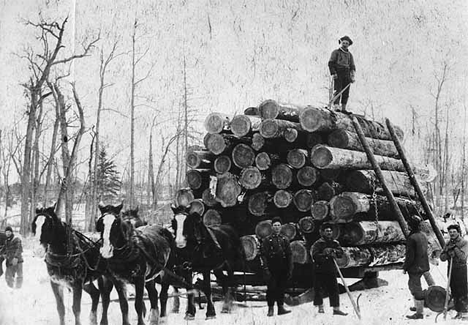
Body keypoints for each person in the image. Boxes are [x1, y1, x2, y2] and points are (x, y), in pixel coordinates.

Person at [260, 216, 293, 316]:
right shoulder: (267, 240)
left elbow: (289, 254)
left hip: (282, 267)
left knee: (281, 288)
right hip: (271, 267)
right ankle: (270, 309)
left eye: (278, 225)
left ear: (281, 227)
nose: (277, 227)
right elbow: (263, 255)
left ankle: (280, 307)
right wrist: (265, 268)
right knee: (271, 288)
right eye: (275, 225)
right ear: (272, 227)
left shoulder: (285, 240)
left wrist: (290, 268)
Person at [311, 223, 347, 316]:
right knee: (319, 289)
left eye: (330, 231)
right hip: (319, 269)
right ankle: (320, 307)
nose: (329, 233)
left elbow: (340, 253)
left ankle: (336, 308)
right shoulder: (318, 243)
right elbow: (315, 256)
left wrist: (334, 251)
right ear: (323, 232)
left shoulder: (335, 243)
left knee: (334, 289)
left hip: (330, 269)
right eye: (327, 231)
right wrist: (325, 254)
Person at [403, 216, 430, 320]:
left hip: (415, 267)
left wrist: (405, 267)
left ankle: (419, 313)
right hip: (423, 265)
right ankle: (417, 306)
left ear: (410, 225)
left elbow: (410, 256)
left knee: (415, 288)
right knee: (413, 285)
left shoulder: (412, 238)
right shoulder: (422, 235)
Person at [440, 224, 468, 319]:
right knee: (454, 290)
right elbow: (442, 258)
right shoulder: (448, 243)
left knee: (462, 290)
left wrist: (455, 249)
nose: (452, 234)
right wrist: (448, 253)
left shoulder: (464, 243)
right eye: (450, 232)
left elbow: (463, 257)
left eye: (454, 232)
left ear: (458, 232)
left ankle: (464, 312)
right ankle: (458, 310)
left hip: (461, 269)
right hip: (451, 270)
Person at [328, 35, 356, 112]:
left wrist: (352, 76)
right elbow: (331, 63)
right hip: (338, 72)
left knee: (346, 91)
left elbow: (352, 66)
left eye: (347, 43)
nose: (345, 45)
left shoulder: (350, 55)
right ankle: (336, 106)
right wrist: (333, 73)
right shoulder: (336, 52)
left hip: (346, 73)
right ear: (341, 43)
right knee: (338, 89)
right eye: (343, 43)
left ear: (349, 45)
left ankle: (343, 108)